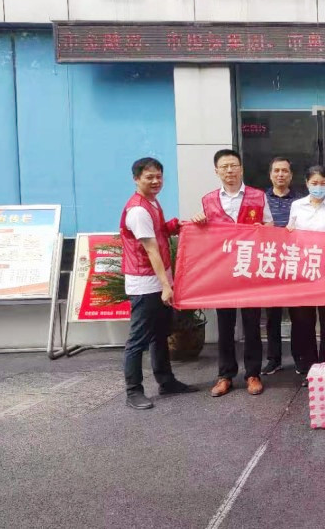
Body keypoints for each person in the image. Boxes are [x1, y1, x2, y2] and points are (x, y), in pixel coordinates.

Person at [192, 149, 273, 398]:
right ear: (216, 171)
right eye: (224, 166)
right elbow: (204, 235)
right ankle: (225, 375)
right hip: (223, 272)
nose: (230, 170)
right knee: (225, 325)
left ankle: (253, 374)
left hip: (250, 269)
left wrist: (264, 228)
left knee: (251, 324)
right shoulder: (208, 200)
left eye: (234, 165)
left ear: (241, 169)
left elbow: (270, 225)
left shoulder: (258, 196)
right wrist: (198, 221)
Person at [120, 157, 196, 410]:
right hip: (145, 283)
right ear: (136, 179)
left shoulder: (152, 202)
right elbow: (151, 249)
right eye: (149, 177)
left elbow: (159, 232)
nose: (155, 181)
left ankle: (166, 381)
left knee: (160, 335)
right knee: (138, 340)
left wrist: (176, 226)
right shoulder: (138, 210)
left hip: (158, 280)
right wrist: (166, 285)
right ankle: (133, 391)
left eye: (158, 177)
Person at [287, 165, 325, 369]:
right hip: (304, 270)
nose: (319, 187)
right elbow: (291, 235)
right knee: (305, 321)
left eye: (323, 183)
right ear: (307, 184)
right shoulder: (297, 206)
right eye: (314, 183)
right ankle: (310, 366)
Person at [263, 157, 302, 376]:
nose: (280, 174)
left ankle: (299, 358)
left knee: (298, 315)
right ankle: (274, 359)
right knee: (272, 315)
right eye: (276, 170)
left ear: (291, 175)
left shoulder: (300, 201)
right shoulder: (260, 199)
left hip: (295, 262)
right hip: (269, 262)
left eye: (285, 171)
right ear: (270, 175)